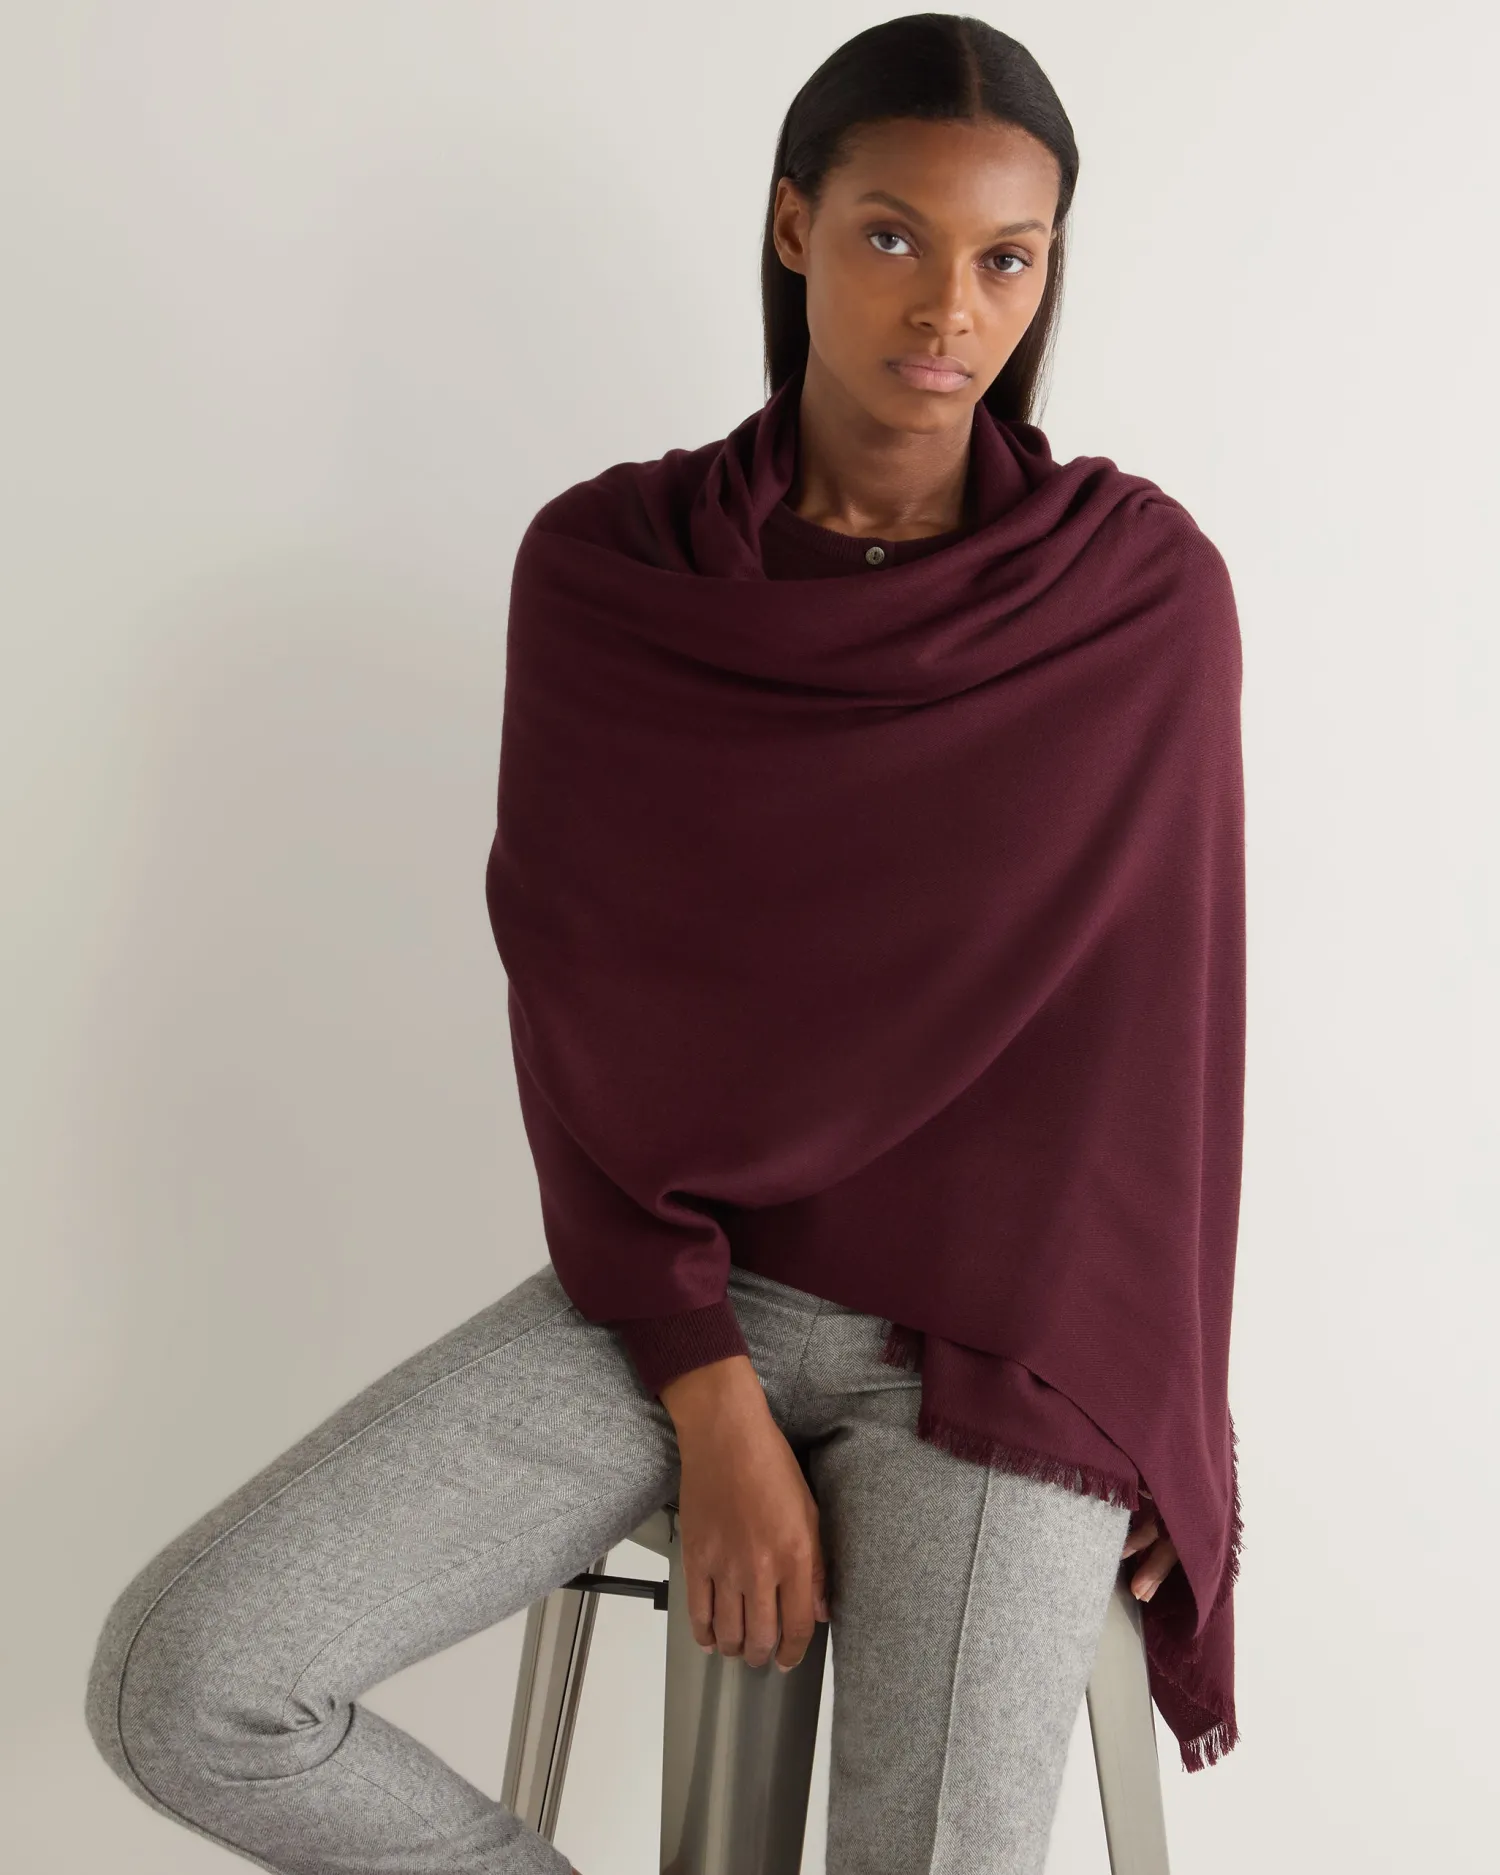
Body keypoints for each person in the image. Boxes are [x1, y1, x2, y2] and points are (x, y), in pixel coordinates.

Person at [86, 15, 1240, 1875]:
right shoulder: (613, 573)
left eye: (1008, 258)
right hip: (676, 1297)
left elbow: (1166, 1047)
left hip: (1008, 1341)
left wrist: (1175, 1413)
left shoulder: (1131, 595)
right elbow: (578, 1013)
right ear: (793, 227)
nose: (949, 306)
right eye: (892, 234)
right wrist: (708, 1392)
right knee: (190, 1677)